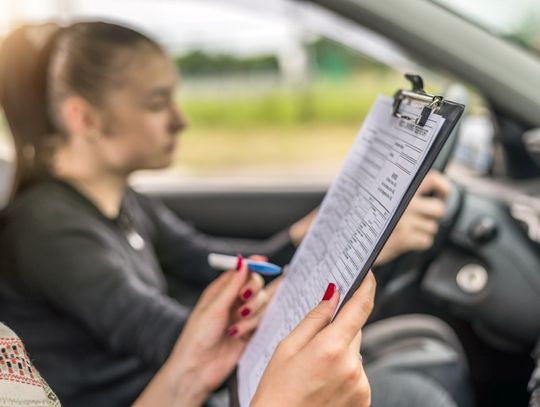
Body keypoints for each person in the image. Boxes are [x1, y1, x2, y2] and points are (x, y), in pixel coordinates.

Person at [0, 21, 454, 406]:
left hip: (184, 389)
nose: (181, 120)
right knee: (414, 393)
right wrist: (357, 246)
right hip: (155, 393)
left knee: (427, 343)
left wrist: (307, 236)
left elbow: (212, 263)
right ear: (84, 118)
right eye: (157, 104)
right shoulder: (46, 229)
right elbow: (170, 338)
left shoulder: (124, 201)